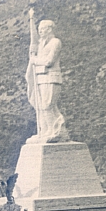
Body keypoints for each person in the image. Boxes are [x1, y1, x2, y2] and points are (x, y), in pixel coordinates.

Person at [24, 9, 68, 143]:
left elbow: (49, 61)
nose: (40, 31)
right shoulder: (41, 44)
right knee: (41, 106)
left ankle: (55, 131)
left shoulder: (55, 42)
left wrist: (35, 61)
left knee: (48, 105)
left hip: (52, 78)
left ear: (49, 29)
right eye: (39, 29)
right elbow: (35, 44)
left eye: (42, 29)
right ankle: (45, 131)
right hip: (41, 79)